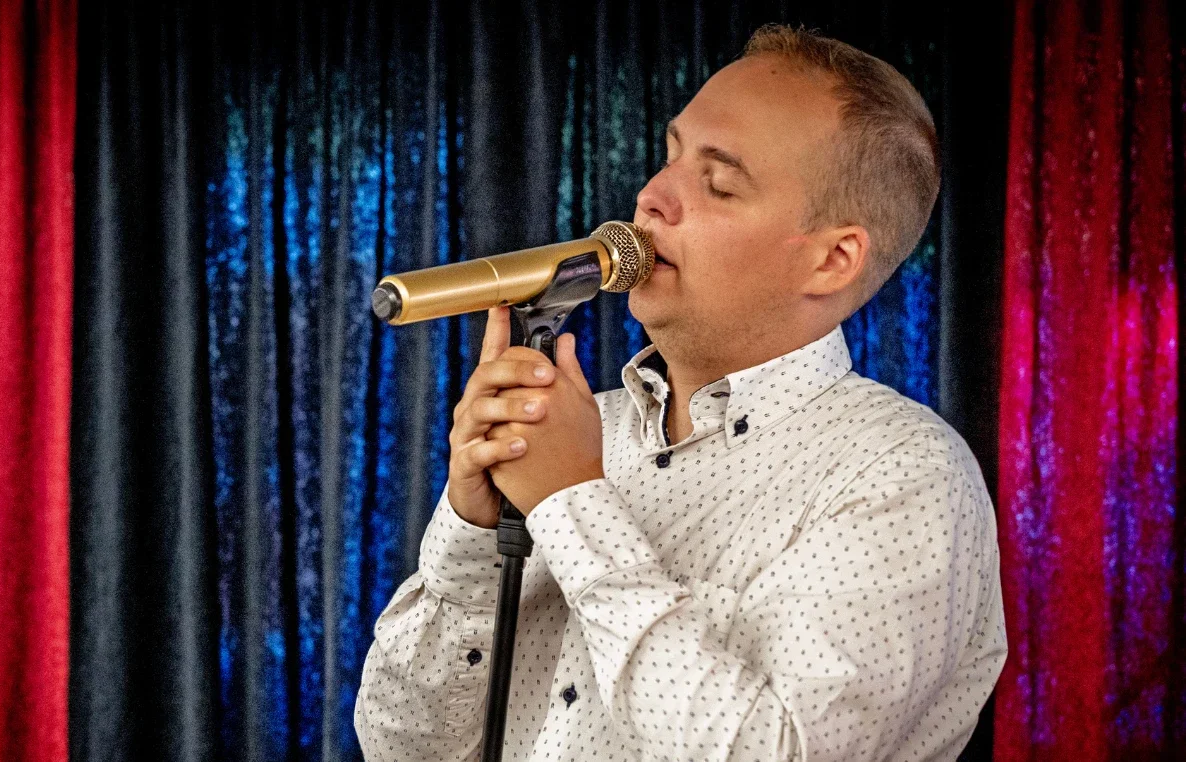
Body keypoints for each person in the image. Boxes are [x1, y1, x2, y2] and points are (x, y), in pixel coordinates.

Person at [354, 24, 1006, 762]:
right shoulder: (576, 434)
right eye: (670, 158)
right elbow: (402, 747)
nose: (652, 198)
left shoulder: (903, 474)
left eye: (719, 183)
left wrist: (571, 506)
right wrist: (471, 535)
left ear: (832, 260)